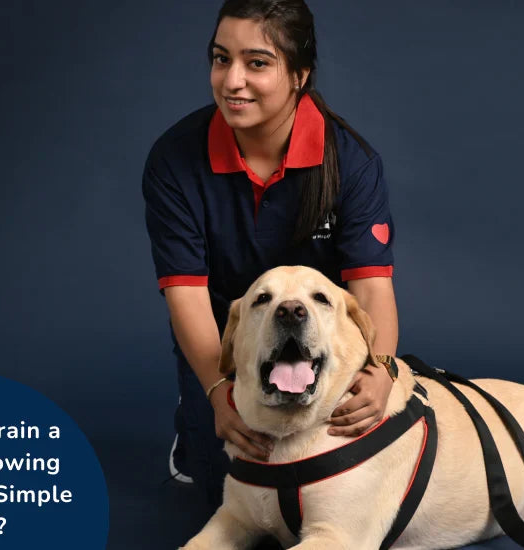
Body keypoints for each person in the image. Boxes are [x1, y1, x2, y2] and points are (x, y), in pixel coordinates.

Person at [142, 0, 399, 519]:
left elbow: (371, 288)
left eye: (257, 63)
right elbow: (186, 293)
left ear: (300, 75)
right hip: (230, 338)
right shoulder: (174, 159)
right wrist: (217, 390)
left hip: (320, 338)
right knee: (232, 500)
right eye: (221, 59)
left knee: (341, 487)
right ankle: (192, 424)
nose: (232, 81)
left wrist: (383, 371)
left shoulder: (352, 162)